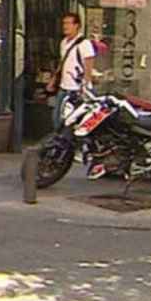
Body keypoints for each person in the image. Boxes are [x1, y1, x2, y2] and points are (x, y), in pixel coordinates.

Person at [46, 12, 102, 177]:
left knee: (78, 122)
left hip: (78, 89)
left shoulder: (84, 44)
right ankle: (63, 146)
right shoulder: (64, 43)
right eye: (64, 23)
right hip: (65, 87)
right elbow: (63, 63)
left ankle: (80, 149)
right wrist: (53, 80)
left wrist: (85, 84)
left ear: (77, 25)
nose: (65, 27)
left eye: (69, 23)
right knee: (58, 119)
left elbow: (89, 64)